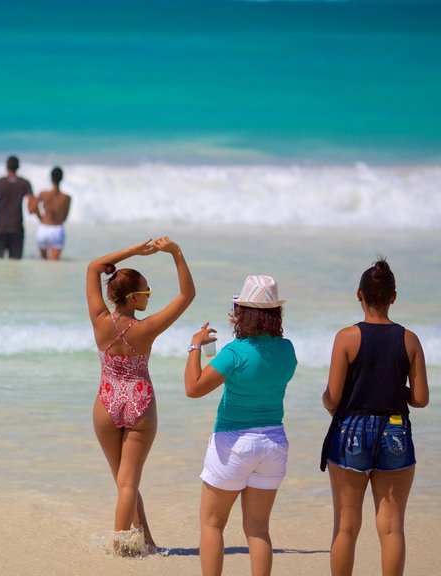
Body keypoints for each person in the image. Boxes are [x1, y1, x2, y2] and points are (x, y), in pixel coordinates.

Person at [320, 258, 429, 576]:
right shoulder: (409, 339)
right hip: (396, 430)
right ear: (394, 297)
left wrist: (326, 401)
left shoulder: (347, 337)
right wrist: (394, 391)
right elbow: (420, 399)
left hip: (351, 430)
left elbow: (335, 396)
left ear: (359, 294)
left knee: (346, 526)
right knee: (392, 527)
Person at [86, 237, 195, 555]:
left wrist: (133, 251)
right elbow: (188, 295)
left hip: (105, 403)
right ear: (133, 298)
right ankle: (121, 546)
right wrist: (176, 252)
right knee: (128, 483)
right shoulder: (147, 328)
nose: (150, 296)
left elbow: (92, 268)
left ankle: (145, 541)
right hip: (139, 404)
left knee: (123, 481)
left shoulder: (99, 320)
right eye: (146, 292)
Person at [184, 275, 297, 576]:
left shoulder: (235, 352)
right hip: (274, 442)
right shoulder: (287, 349)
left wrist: (195, 346)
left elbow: (193, 389)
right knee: (258, 530)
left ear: (242, 312)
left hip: (234, 442)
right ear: (274, 313)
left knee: (212, 523)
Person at [34, 166, 72, 261]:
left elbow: (33, 207)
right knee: (54, 265)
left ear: (51, 178)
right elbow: (65, 218)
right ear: (61, 178)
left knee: (42, 261)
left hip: (43, 229)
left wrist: (41, 218)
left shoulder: (43, 194)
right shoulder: (66, 198)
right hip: (57, 229)